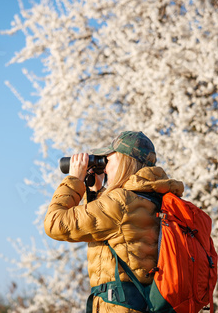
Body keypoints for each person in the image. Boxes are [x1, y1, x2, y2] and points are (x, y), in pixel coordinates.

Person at [44, 131, 185, 313]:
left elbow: (55, 223)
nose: (106, 166)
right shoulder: (156, 197)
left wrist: (74, 180)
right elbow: (114, 232)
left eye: (108, 160)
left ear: (124, 161)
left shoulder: (121, 202)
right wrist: (96, 192)